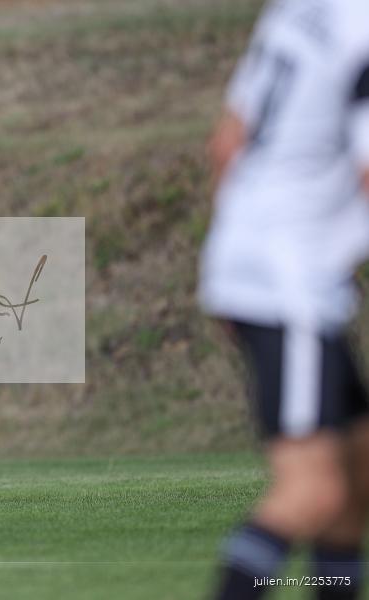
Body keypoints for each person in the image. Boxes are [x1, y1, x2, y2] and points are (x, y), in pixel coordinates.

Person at [199, 1, 369, 598]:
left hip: (263, 258)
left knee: (356, 473)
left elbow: (226, 141)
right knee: (314, 490)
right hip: (293, 277)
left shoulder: (298, 10)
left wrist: (228, 260)